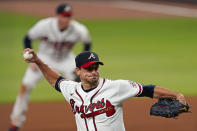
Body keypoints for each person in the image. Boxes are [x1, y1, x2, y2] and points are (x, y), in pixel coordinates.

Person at [20, 48, 187, 131]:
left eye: (95, 67)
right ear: (78, 71)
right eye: (89, 69)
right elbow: (55, 80)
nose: (94, 72)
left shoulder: (116, 87)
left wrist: (176, 94)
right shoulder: (71, 90)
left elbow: (147, 89)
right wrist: (38, 61)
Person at [9, 3, 92, 131]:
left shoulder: (79, 29)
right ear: (57, 15)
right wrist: (32, 61)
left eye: (68, 16)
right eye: (64, 16)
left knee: (82, 85)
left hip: (66, 59)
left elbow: (87, 43)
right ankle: (16, 123)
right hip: (43, 58)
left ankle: (89, 118)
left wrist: (80, 64)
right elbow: (28, 38)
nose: (66, 19)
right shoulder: (45, 25)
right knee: (26, 85)